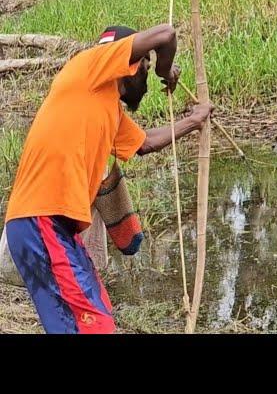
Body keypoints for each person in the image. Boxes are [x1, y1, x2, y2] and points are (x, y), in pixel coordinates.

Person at [4, 24, 214, 334]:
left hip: (53, 224)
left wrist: (193, 121)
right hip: (42, 218)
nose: (145, 77)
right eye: (144, 67)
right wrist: (164, 71)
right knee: (94, 325)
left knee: (88, 315)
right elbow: (166, 36)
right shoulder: (90, 65)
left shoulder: (104, 105)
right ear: (129, 64)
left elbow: (145, 143)